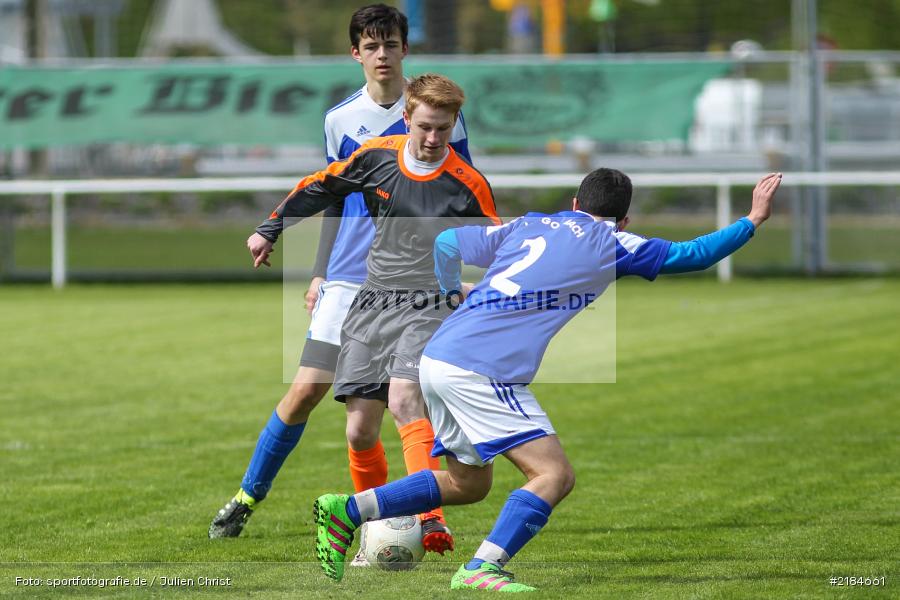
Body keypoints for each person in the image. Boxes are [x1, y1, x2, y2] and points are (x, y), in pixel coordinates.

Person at [311, 169, 783, 590]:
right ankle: (482, 568)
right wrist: (753, 219)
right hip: (482, 370)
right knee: (554, 474)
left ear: (576, 205)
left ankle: (346, 511)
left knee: (468, 484)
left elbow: (448, 243)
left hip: (438, 359)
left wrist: (451, 290)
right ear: (625, 220)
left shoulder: (532, 222)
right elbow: (696, 254)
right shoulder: (613, 243)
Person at [208, 5, 472, 561]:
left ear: (405, 50)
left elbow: (462, 200)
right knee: (308, 392)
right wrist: (320, 272)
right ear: (356, 53)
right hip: (349, 277)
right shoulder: (340, 120)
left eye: (391, 45)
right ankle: (247, 496)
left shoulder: (435, 115)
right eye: (371, 47)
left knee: (406, 400)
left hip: (413, 282)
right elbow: (331, 194)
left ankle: (425, 518)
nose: (382, 55)